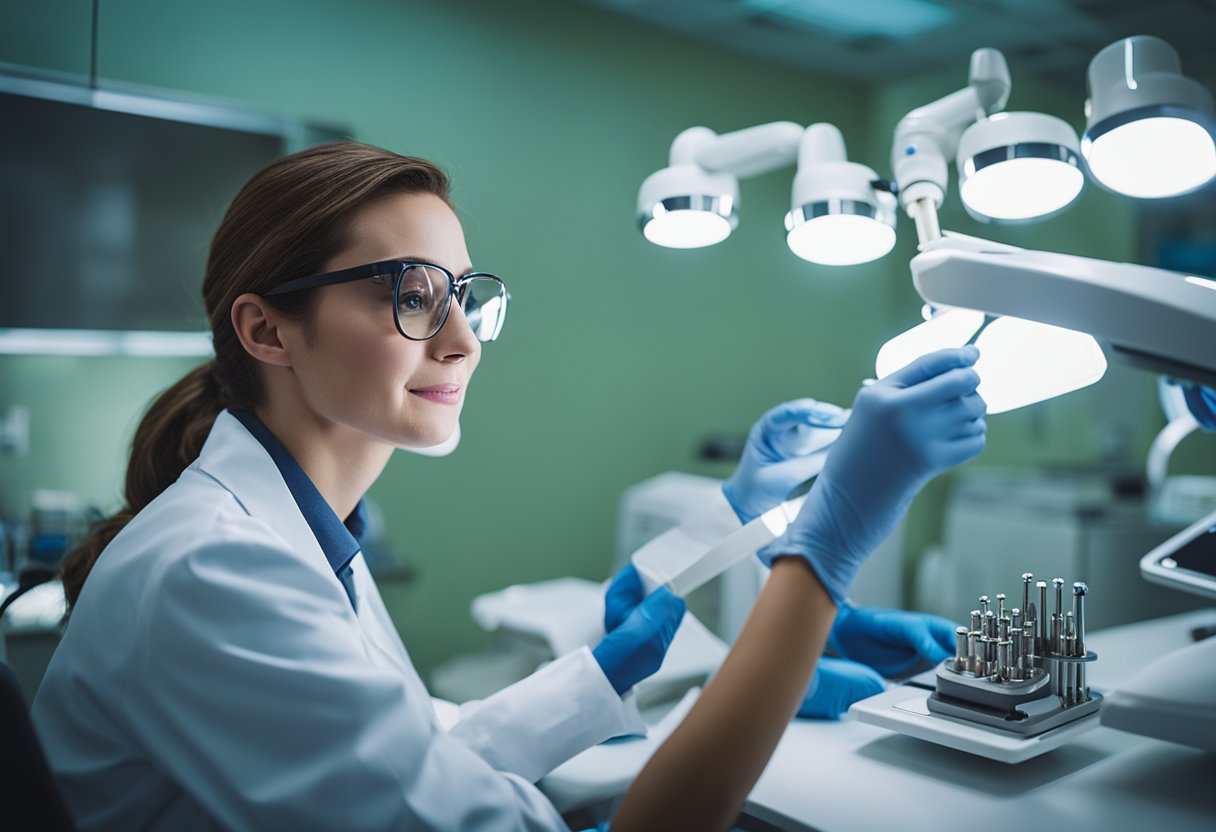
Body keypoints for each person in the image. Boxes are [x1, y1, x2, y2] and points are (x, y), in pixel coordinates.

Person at [31, 142, 985, 831]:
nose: (463, 339)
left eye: (464, 295)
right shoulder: (215, 570)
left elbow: (421, 752)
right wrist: (824, 555)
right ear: (267, 330)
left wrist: (636, 637)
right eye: (411, 295)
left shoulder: (294, 532)